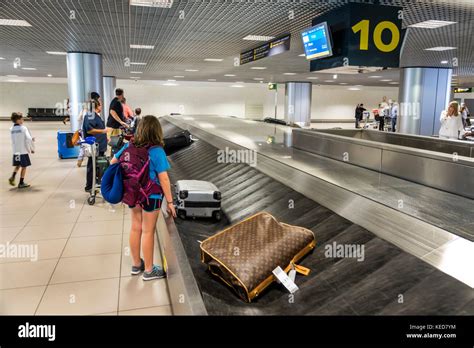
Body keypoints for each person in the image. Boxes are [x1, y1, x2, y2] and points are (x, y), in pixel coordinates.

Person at [110, 115, 176, 280]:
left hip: (132, 194)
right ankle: (148, 270)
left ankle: (136, 264)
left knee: (135, 227)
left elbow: (113, 162)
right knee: (148, 231)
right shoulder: (157, 151)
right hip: (151, 195)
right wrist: (170, 202)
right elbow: (164, 178)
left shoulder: (128, 146)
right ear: (156, 131)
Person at [83, 100, 107, 192]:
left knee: (97, 166)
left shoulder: (95, 115)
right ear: (96, 106)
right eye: (100, 105)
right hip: (94, 146)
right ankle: (89, 186)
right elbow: (90, 130)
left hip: (99, 145)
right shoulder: (90, 115)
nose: (101, 107)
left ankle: (94, 183)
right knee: (92, 166)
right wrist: (103, 131)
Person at [9, 112, 35, 188]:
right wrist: (31, 147)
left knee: (18, 165)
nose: (23, 120)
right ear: (18, 120)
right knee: (24, 166)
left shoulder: (11, 129)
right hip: (23, 151)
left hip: (15, 151)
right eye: (21, 118)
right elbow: (28, 138)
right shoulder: (23, 128)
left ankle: (12, 176)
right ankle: (21, 182)